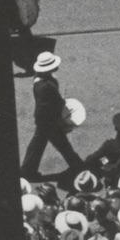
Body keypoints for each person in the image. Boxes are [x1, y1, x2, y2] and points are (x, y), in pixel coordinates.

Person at [22, 51, 84, 181]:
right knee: (62, 144)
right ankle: (78, 167)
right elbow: (47, 107)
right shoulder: (45, 86)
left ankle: (28, 171)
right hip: (48, 121)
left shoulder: (40, 80)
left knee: (38, 145)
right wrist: (60, 118)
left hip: (44, 121)